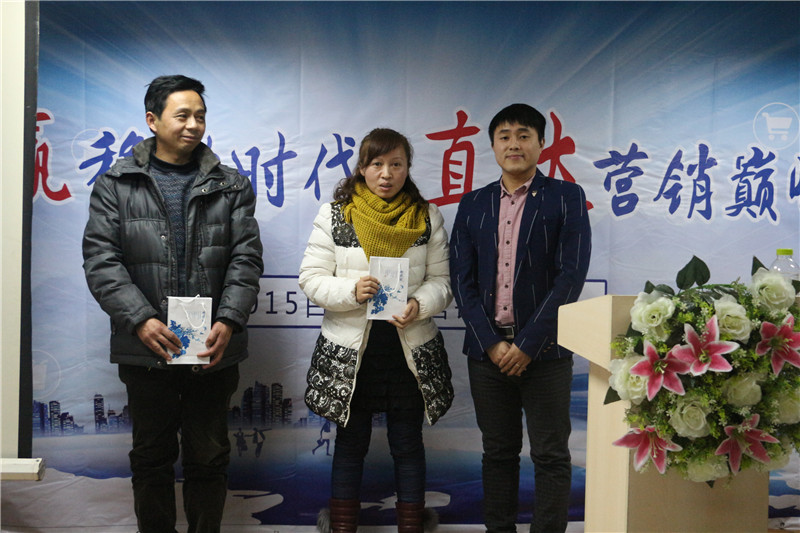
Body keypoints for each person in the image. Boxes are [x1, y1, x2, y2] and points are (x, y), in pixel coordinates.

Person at [82, 74, 264, 533]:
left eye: (200, 116)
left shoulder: (231, 185)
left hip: (211, 348)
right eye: (182, 115)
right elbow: (102, 260)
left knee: (209, 457)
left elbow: (245, 258)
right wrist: (141, 320)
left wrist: (229, 319)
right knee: (151, 458)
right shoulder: (116, 183)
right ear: (152, 120)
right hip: (146, 348)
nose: (193, 124)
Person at [299, 128, 454, 533]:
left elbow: (442, 282)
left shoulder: (426, 217)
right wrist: (351, 291)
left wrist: (419, 305)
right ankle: (342, 527)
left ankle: (412, 526)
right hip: (353, 353)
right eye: (377, 164)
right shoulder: (335, 214)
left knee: (408, 445)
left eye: (396, 164)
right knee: (350, 446)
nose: (386, 173)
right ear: (362, 168)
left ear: (407, 168)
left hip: (408, 351)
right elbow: (311, 279)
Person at [449, 104, 591, 533]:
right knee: (498, 454)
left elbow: (570, 277)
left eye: (524, 135)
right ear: (493, 146)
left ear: (541, 143)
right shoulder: (473, 204)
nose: (514, 144)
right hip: (487, 354)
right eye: (505, 136)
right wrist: (492, 342)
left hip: (545, 353)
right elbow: (461, 280)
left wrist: (528, 344)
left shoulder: (566, 197)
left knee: (550, 455)